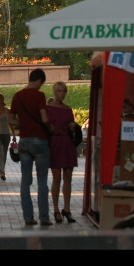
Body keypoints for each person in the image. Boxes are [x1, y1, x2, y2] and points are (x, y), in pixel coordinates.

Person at [9, 69, 54, 226]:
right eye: (42, 83)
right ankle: (44, 217)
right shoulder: (40, 96)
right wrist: (51, 127)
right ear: (39, 80)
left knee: (25, 181)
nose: (41, 86)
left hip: (25, 141)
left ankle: (28, 217)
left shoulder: (17, 96)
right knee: (42, 180)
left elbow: (11, 119)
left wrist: (24, 124)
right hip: (40, 141)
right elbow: (44, 118)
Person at [47, 82, 79, 224]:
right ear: (54, 92)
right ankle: (55, 209)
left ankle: (67, 208)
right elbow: (45, 124)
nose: (62, 93)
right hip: (55, 142)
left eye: (64, 91)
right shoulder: (48, 108)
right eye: (59, 91)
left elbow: (72, 124)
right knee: (56, 178)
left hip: (67, 143)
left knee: (68, 177)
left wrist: (72, 127)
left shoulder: (68, 109)